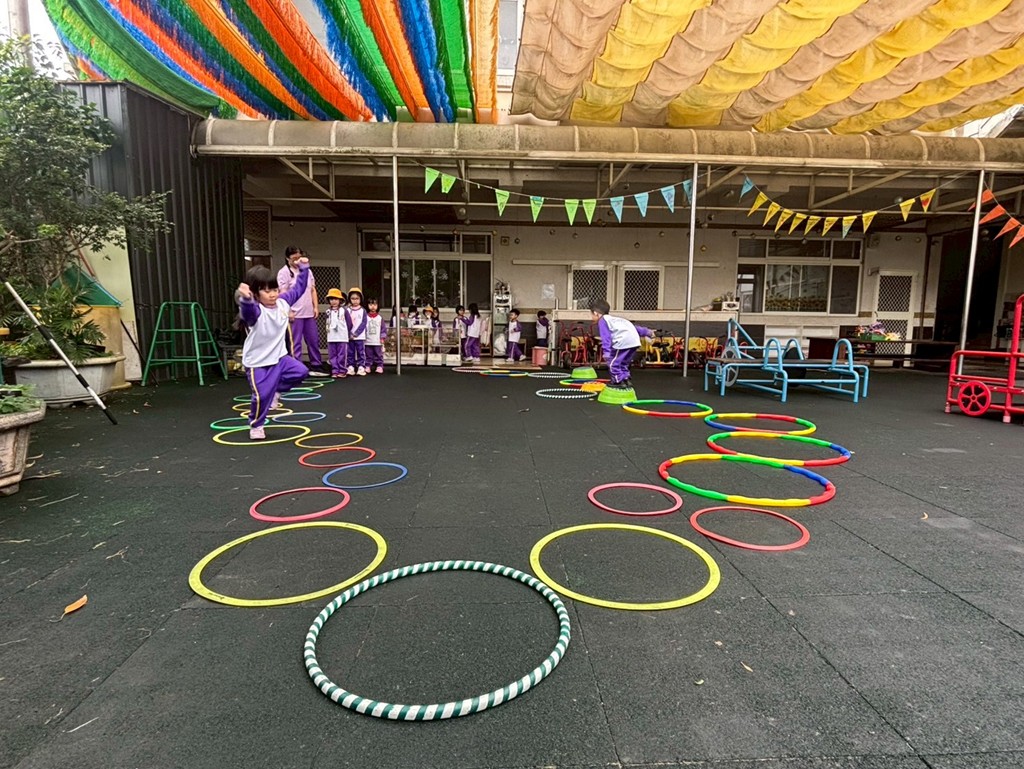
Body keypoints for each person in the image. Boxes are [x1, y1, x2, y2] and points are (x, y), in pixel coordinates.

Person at [236, 259, 311, 440]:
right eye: (266, 291)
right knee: (261, 396)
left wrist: (304, 268)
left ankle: (276, 389)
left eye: (275, 289)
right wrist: (246, 300)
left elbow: (299, 289)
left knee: (301, 371)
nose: (272, 294)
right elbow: (248, 313)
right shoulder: (256, 311)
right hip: (258, 363)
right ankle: (256, 425)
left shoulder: (283, 303)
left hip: (280, 358)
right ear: (256, 293)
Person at [276, 246, 327, 377]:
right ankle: (296, 367)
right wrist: (288, 310)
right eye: (294, 258)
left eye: (299, 257)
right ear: (287, 259)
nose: (297, 261)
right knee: (295, 342)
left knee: (313, 340)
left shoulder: (307, 271)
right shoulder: (284, 272)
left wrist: (315, 307)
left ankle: (316, 364)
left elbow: (312, 289)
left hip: (308, 311)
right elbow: (283, 293)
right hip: (295, 313)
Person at [590, 299, 652, 389]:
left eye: (591, 315)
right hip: (634, 341)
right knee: (623, 362)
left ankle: (618, 381)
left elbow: (606, 337)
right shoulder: (617, 320)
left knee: (613, 363)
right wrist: (647, 332)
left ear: (596, 313)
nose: (591, 317)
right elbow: (634, 327)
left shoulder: (602, 321)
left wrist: (607, 352)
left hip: (623, 341)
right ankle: (626, 379)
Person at [324, 287, 349, 378]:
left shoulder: (344, 311)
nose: (333, 301)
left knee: (342, 354)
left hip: (342, 337)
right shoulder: (328, 312)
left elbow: (349, 323)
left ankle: (342, 370)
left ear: (340, 300)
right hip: (331, 337)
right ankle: (335, 370)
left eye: (336, 299)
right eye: (331, 299)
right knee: (332, 355)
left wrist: (347, 333)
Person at [346, 286, 368, 376]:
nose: (355, 301)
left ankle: (361, 366)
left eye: (357, 298)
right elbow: (345, 322)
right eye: (353, 298)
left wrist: (356, 333)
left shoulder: (363, 310)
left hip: (360, 336)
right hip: (349, 336)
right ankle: (350, 366)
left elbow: (364, 323)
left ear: (360, 299)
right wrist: (349, 333)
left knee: (360, 351)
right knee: (350, 351)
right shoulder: (347, 310)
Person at [365, 297, 387, 374]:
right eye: (371, 304)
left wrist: (382, 337)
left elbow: (383, 329)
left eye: (375, 304)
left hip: (377, 341)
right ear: (367, 305)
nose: (373, 306)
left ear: (378, 306)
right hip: (367, 341)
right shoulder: (365, 317)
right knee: (368, 354)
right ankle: (367, 365)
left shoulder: (380, 318)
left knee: (378, 354)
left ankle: (380, 366)